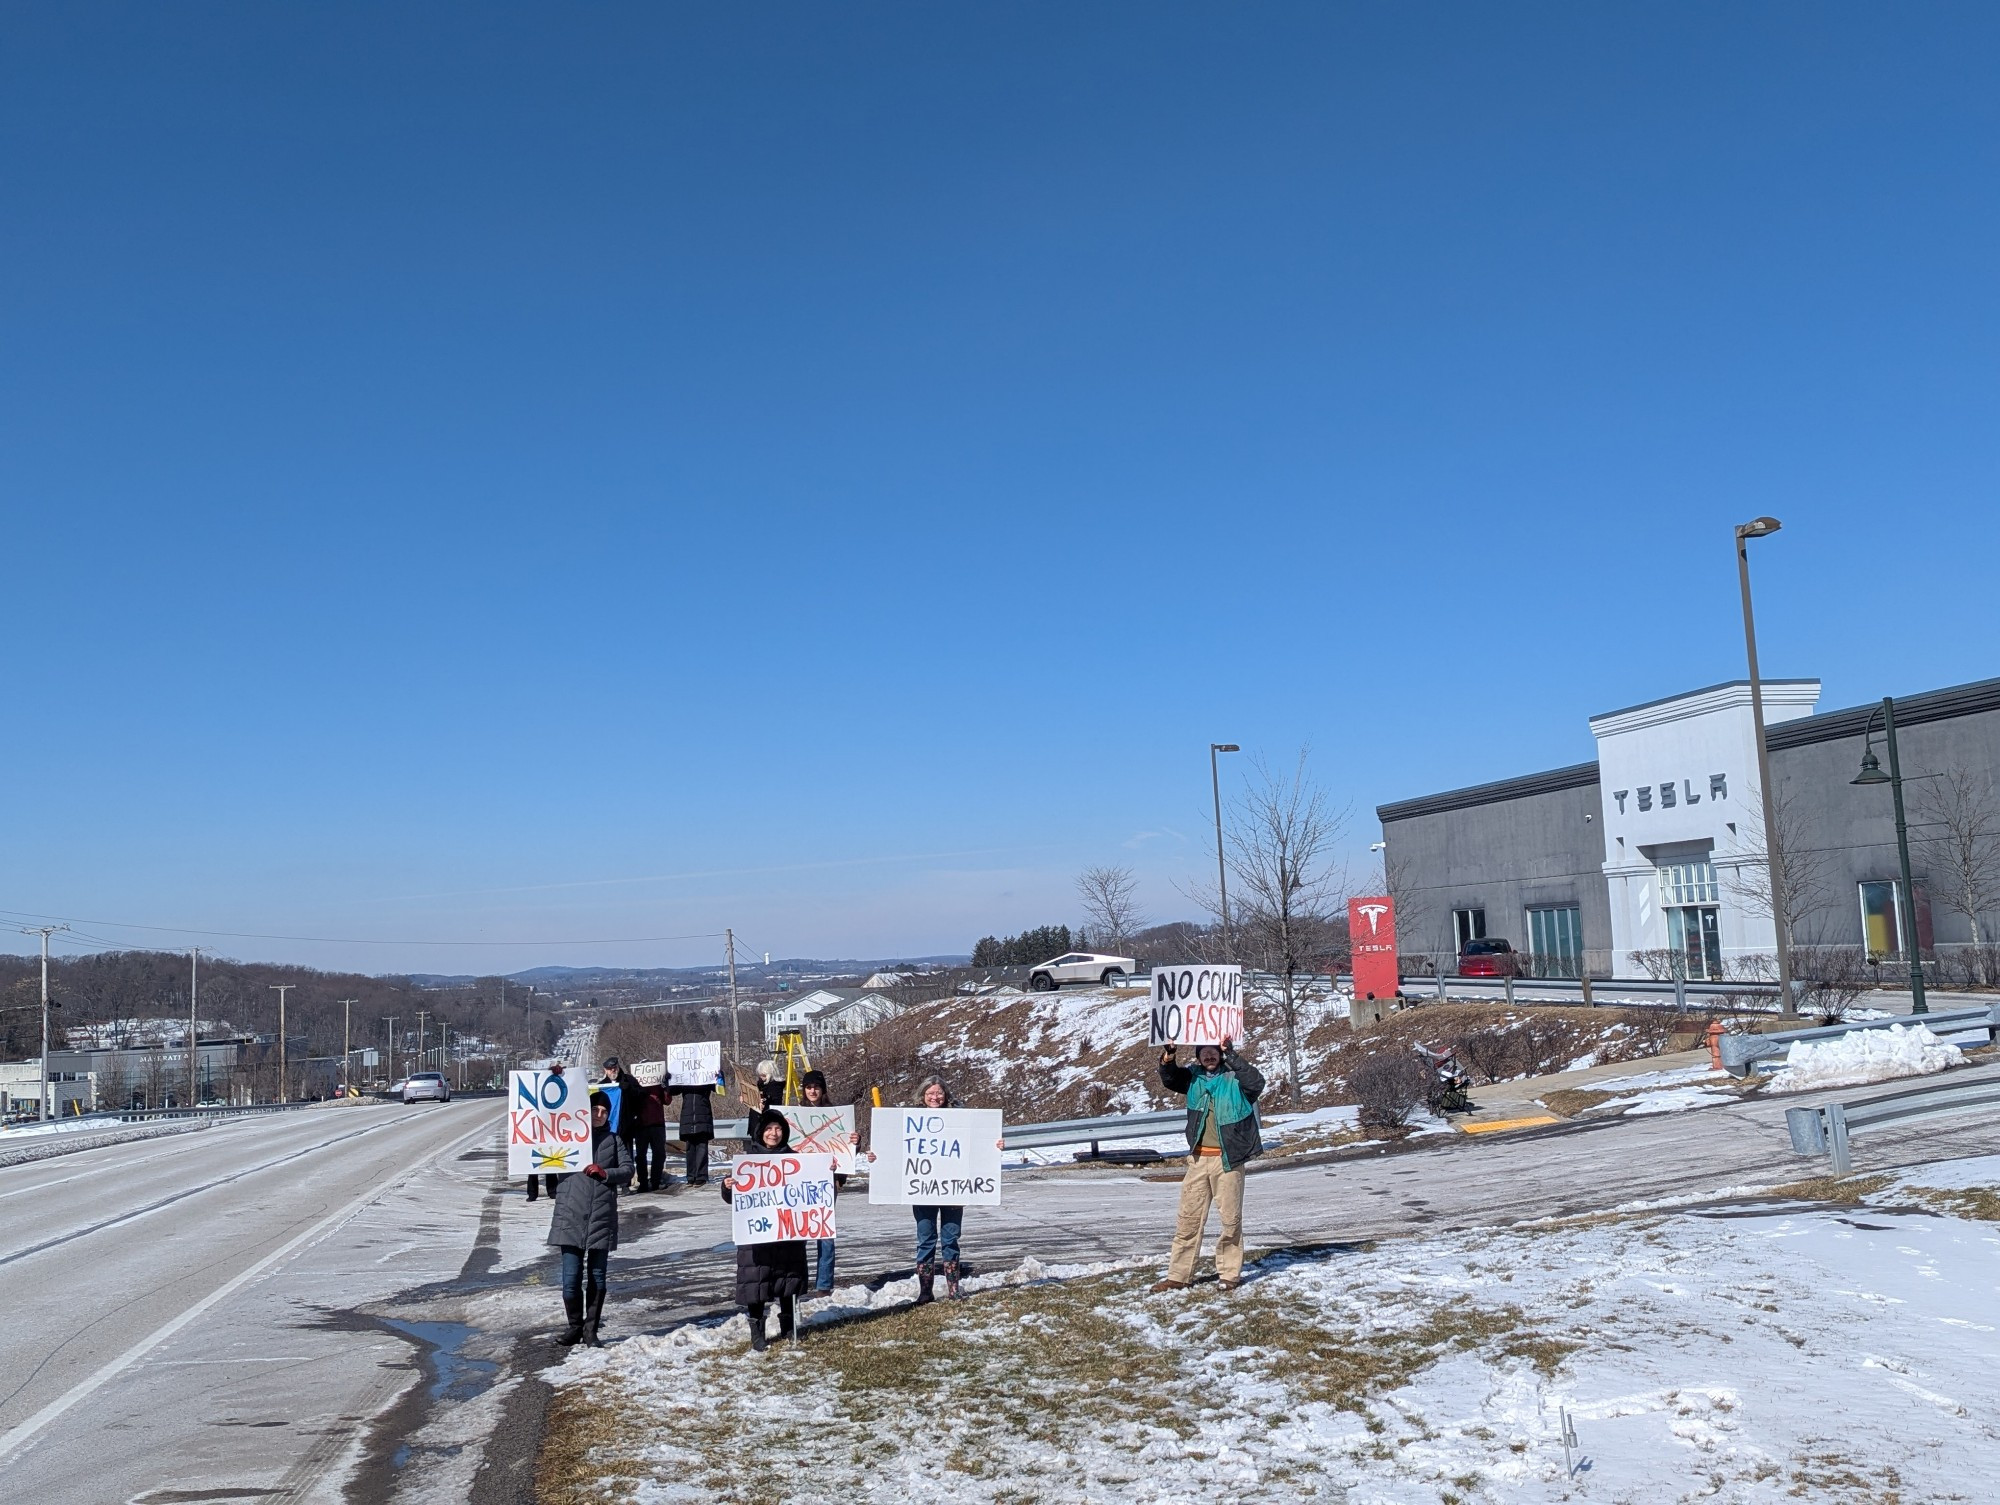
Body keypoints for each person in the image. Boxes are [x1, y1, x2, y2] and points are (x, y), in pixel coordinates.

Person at [1151, 1040, 1265, 1294]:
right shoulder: (1193, 1078)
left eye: (1214, 1051)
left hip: (1229, 1161)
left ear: (1221, 1054)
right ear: (1199, 1056)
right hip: (1199, 1160)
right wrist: (1169, 1054)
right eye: (1204, 1052)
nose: (1209, 1056)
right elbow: (1169, 1078)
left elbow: (1257, 1082)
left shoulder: (1235, 1077)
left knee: (1230, 1221)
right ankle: (1179, 1276)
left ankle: (1229, 1274)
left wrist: (1231, 1054)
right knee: (1188, 1220)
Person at [547, 1090, 632, 1346]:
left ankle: (590, 1330)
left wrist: (605, 1172)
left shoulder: (614, 1140)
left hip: (601, 1216)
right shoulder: (566, 1137)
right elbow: (543, 1155)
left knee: (597, 1276)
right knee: (570, 1280)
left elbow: (628, 1169)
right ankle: (574, 1326)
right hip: (569, 1214)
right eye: (596, 1109)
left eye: (605, 1111)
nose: (600, 1114)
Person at [724, 1108, 811, 1351]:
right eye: (769, 1128)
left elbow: (813, 1188)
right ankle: (757, 1332)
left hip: (787, 1233)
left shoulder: (796, 1159)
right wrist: (727, 1186)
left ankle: (788, 1326)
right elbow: (732, 1198)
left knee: (788, 1280)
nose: (774, 1133)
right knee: (756, 1283)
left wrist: (828, 1169)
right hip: (756, 1236)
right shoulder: (747, 1162)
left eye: (778, 1128)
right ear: (761, 1132)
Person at [797, 1069, 847, 1295]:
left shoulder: (836, 1114)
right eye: (808, 1087)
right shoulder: (794, 1114)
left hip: (827, 1181)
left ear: (823, 1089)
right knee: (798, 1233)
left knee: (824, 1233)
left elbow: (845, 1148)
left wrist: (855, 1141)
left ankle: (824, 1284)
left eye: (816, 1087)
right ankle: (797, 1282)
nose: (812, 1091)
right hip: (799, 1182)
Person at [667, 1058, 717, 1186]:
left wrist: (719, 1077)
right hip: (687, 1116)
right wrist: (668, 1080)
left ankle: (701, 1176)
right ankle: (691, 1176)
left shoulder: (706, 1079)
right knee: (690, 1147)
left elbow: (719, 1090)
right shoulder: (685, 1080)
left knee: (701, 1146)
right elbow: (672, 1091)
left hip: (703, 1115)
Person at [526, 1062, 568, 1202]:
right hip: (536, 1127)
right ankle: (533, 1192)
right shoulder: (537, 1091)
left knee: (549, 1160)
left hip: (550, 1128)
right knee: (534, 1163)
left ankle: (552, 1190)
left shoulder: (556, 1091)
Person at [602, 1056, 643, 1170]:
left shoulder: (628, 1080)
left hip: (626, 1126)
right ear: (605, 1070)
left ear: (618, 1067)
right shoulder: (603, 1085)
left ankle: (626, 1183)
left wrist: (629, 1089)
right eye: (610, 1069)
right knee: (610, 1155)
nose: (613, 1070)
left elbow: (641, 1095)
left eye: (615, 1067)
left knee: (626, 1154)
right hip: (609, 1127)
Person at [635, 1074, 669, 1193]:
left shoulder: (658, 1084)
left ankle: (655, 1181)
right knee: (640, 1156)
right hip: (641, 1124)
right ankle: (643, 1182)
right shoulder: (636, 1084)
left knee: (659, 1154)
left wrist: (665, 1087)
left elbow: (667, 1101)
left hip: (657, 1123)